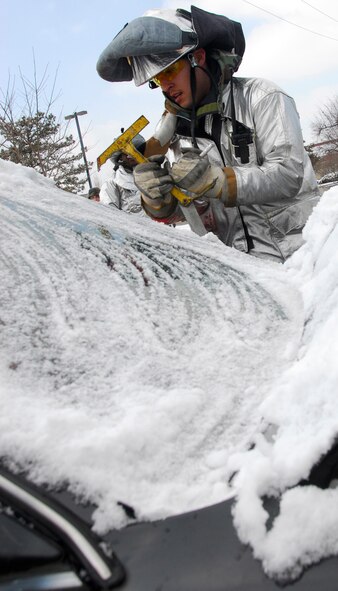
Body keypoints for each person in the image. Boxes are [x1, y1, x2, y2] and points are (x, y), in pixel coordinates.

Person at [96, 6, 320, 262]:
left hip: (304, 261)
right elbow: (194, 211)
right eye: (157, 79)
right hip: (248, 273)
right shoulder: (178, 134)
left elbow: (288, 174)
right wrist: (158, 200)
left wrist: (220, 181)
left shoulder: (262, 97)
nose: (165, 85)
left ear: (198, 57)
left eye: (169, 71)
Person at [100, 133, 146, 215]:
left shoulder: (155, 177)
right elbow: (111, 216)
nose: (133, 155)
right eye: (128, 152)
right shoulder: (112, 184)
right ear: (120, 157)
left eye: (137, 151)